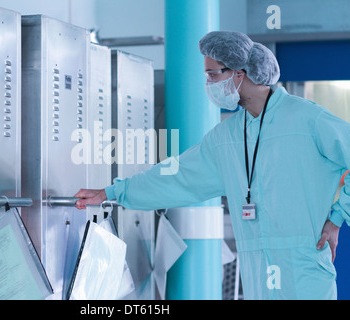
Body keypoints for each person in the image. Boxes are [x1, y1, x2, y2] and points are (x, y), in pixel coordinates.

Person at [74, 31, 350, 300]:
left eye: (213, 74)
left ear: (239, 73)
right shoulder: (227, 135)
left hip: (305, 269)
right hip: (256, 271)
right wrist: (112, 192)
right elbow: (176, 175)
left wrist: (337, 217)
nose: (208, 83)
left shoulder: (307, 119)